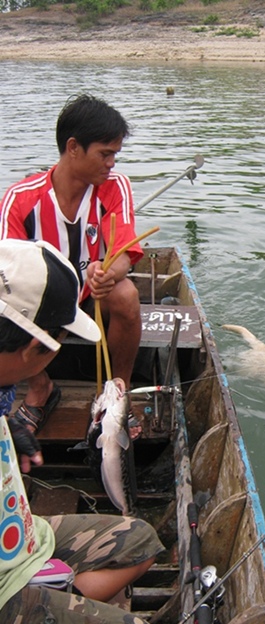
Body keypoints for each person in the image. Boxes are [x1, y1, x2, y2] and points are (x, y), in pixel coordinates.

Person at [0, 240, 164, 624]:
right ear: (35, 346)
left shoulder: (3, 390)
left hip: (19, 540)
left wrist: (11, 427)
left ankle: (54, 599)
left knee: (139, 539)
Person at [0, 94, 143, 438]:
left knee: (126, 295)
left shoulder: (114, 187)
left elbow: (124, 250)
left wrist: (109, 273)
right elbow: (5, 274)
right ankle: (40, 387)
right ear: (73, 147)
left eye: (115, 155)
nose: (111, 163)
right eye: (104, 154)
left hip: (90, 294)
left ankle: (115, 394)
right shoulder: (20, 199)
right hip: (40, 305)